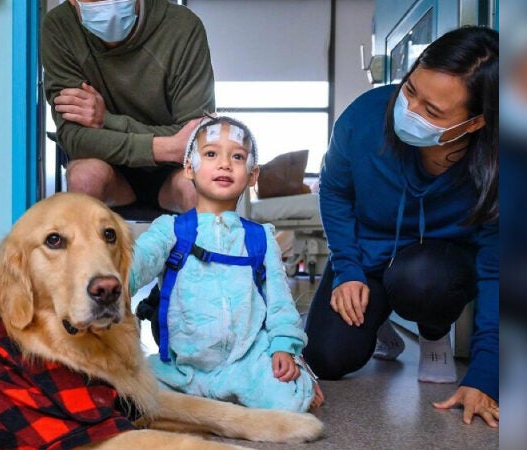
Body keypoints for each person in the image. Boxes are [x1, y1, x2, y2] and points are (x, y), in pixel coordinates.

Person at [303, 26, 499, 427]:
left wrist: (487, 375)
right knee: (327, 358)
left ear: (475, 123)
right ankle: (380, 322)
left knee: (422, 278)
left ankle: (433, 334)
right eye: (411, 91)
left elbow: (501, 272)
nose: (409, 112)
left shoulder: (501, 166)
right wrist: (348, 270)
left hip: (435, 267)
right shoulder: (364, 116)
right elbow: (335, 192)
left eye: (433, 112)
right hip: (369, 253)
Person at [129, 116, 324, 412]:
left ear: (252, 174)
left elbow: (280, 304)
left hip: (245, 364)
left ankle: (300, 371)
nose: (224, 164)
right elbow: (132, 267)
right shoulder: (170, 229)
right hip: (182, 369)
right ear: (189, 168)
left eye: (237, 156)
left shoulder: (261, 238)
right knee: (129, 396)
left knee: (289, 400)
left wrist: (285, 347)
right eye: (210, 154)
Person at [41, 0, 215, 212]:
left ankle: (205, 247)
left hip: (174, 170)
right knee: (84, 178)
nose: (108, 4)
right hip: (109, 165)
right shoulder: (59, 26)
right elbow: (75, 138)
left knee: (198, 189)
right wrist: (166, 148)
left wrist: (106, 119)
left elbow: (195, 138)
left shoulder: (182, 26)